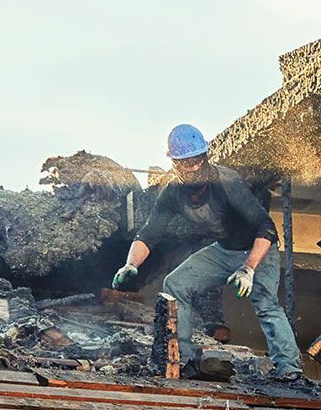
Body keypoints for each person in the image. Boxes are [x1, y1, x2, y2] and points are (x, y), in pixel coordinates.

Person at [112, 124, 305, 383]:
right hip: (224, 250)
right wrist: (130, 265)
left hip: (258, 249)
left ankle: (289, 369)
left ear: (205, 157)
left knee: (266, 304)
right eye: (186, 163)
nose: (193, 168)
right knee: (175, 284)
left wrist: (248, 268)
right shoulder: (171, 193)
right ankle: (183, 359)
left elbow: (266, 227)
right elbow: (149, 234)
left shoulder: (226, 182)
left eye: (197, 161)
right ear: (175, 164)